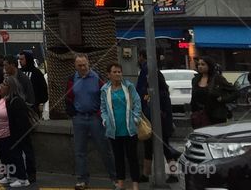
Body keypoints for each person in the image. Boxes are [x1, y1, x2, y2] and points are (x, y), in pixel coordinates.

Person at [66, 54, 117, 190]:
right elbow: (69, 97)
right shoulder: (72, 79)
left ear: (89, 64)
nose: (82, 68)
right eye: (79, 65)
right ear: (75, 66)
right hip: (79, 118)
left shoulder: (97, 78)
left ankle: (114, 178)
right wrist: (72, 113)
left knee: (105, 149)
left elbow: (107, 96)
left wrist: (102, 114)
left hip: (96, 118)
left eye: (84, 65)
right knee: (79, 151)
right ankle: (82, 179)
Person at [136, 50, 180, 183]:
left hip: (161, 125)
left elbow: (167, 112)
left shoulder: (162, 94)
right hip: (150, 124)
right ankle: (145, 174)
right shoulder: (148, 92)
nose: (147, 79)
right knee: (148, 148)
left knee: (165, 148)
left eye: (150, 78)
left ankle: (173, 173)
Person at [100, 63, 143, 190]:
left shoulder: (128, 86)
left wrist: (136, 117)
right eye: (115, 72)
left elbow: (137, 102)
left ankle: (135, 183)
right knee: (118, 158)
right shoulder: (104, 89)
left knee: (132, 157)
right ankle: (121, 183)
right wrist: (105, 120)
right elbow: (103, 108)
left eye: (119, 72)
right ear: (109, 74)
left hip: (129, 129)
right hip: (114, 129)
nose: (118, 74)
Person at [0, 76, 31, 187]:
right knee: (5, 155)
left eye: (4, 85)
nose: (1, 86)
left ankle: (22, 178)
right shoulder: (5, 98)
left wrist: (16, 134)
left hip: (13, 134)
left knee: (16, 156)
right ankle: (10, 175)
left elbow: (20, 121)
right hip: (2, 133)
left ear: (10, 87)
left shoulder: (16, 101)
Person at [190, 56, 237, 129]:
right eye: (199, 64)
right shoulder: (195, 79)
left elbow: (235, 92)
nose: (200, 66)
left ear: (209, 65)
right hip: (200, 115)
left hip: (216, 115)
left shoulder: (217, 78)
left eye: (203, 64)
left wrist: (223, 99)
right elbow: (193, 97)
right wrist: (192, 111)